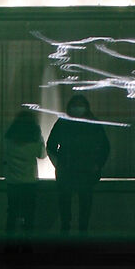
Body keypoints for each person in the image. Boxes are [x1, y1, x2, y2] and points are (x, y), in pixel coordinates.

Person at [46, 91, 111, 236]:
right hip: (85, 170)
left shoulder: (63, 122)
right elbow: (105, 146)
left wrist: (59, 162)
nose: (77, 108)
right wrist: (97, 164)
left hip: (68, 170)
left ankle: (66, 232)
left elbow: (51, 145)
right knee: (84, 204)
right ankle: (82, 233)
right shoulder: (93, 123)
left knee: (66, 204)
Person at [2, 107, 44, 246]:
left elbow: (5, 156)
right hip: (29, 181)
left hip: (13, 181)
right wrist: (40, 137)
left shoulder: (9, 138)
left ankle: (9, 243)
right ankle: (27, 243)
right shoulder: (34, 139)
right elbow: (42, 155)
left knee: (12, 212)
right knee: (29, 213)